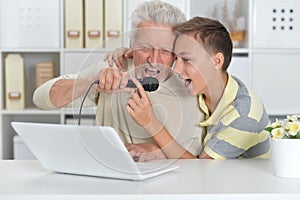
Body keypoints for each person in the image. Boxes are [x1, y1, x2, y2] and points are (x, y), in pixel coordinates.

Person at [33, 0, 205, 162]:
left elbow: (195, 156)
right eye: (145, 47)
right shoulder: (115, 68)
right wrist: (94, 83)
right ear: (131, 45)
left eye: (166, 51)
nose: (154, 59)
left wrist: (155, 152)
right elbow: (40, 99)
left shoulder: (190, 86)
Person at [171, 16, 270, 159]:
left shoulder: (244, 115)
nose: (176, 69)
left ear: (216, 61)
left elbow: (202, 168)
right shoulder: (203, 87)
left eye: (186, 59)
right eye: (175, 59)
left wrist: (152, 126)